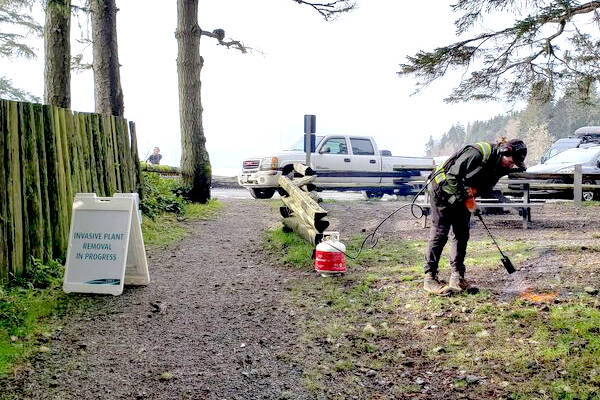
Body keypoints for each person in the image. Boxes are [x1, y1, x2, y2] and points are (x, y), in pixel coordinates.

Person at [423, 138, 527, 296]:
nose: (511, 166)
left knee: (462, 233)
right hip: (442, 189)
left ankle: (457, 277)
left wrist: (473, 201)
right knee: (440, 232)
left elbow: (485, 186)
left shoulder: (500, 166)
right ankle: (430, 277)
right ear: (504, 151)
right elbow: (452, 177)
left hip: (460, 192)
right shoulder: (477, 154)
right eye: (511, 162)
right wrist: (468, 200)